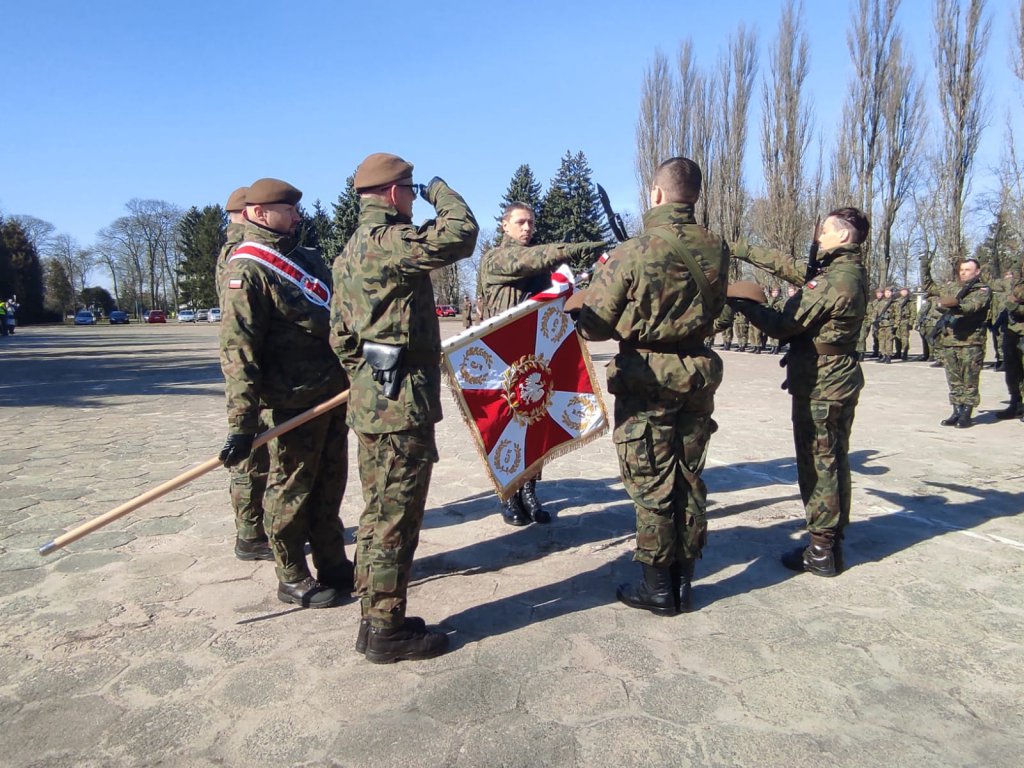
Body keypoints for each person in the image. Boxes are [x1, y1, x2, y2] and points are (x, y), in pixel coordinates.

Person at [331, 153, 478, 663]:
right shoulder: (392, 241)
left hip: (372, 406)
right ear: (394, 193)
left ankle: (375, 620)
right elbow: (462, 233)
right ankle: (387, 632)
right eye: (411, 190)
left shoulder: (349, 252)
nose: (415, 199)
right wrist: (440, 188)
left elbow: (340, 336)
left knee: (376, 514)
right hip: (402, 410)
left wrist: (368, 376)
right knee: (397, 520)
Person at [566, 156, 729, 616]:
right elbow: (718, 308)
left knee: (653, 482)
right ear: (694, 195)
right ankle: (684, 579)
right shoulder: (717, 247)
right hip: (697, 377)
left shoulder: (632, 252)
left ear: (656, 194)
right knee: (689, 477)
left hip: (648, 380)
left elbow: (595, 327)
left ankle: (658, 588)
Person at [218, 177, 353, 608]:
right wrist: (241, 425)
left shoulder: (305, 259)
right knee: (290, 490)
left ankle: (333, 562)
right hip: (290, 403)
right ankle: (291, 573)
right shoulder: (248, 269)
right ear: (259, 213)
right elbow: (239, 351)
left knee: (330, 487)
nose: (298, 215)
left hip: (331, 395)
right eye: (288, 208)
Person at [731, 207, 870, 577]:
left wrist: (746, 305)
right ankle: (831, 539)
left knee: (818, 462)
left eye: (824, 231)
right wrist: (741, 248)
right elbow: (789, 266)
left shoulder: (834, 280)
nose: (818, 238)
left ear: (843, 237)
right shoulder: (847, 272)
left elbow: (784, 325)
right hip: (837, 376)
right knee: (835, 458)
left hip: (822, 383)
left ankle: (822, 549)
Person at [478, 202, 605, 526]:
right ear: (504, 225)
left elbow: (559, 296)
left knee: (534, 423)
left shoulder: (543, 266)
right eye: (520, 222)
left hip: (533, 359)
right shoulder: (496, 259)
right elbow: (529, 260)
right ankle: (508, 493)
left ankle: (530, 490)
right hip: (500, 360)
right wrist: (573, 249)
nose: (526, 228)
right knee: (504, 428)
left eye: (531, 223)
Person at [214, 187, 272, 562]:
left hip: (250, 366)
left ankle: (254, 527)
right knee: (253, 456)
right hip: (256, 367)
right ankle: (251, 533)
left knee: (257, 454)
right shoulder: (242, 254)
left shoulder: (231, 251)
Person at [921, 255, 991, 428]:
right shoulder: (951, 287)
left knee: (970, 379)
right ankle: (956, 410)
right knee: (954, 379)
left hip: (970, 341)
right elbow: (929, 287)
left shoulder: (981, 290)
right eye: (962, 270)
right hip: (950, 341)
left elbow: (971, 307)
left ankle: (967, 412)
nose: (964, 273)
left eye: (967, 270)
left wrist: (954, 305)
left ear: (977, 271)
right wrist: (924, 268)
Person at [1000, 264, 1024, 419]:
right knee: (1012, 371)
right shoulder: (1016, 282)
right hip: (1011, 332)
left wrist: (1013, 303)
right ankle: (1016, 403)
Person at [874, 287, 896, 363]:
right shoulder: (880, 303)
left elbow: (898, 314)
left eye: (889, 292)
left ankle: (888, 356)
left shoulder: (894, 303)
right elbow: (875, 312)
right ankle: (883, 355)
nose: (888, 293)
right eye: (886, 292)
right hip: (881, 324)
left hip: (890, 324)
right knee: (881, 340)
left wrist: (896, 325)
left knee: (889, 340)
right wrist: (874, 321)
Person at [895, 287, 916, 361]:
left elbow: (913, 313)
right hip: (897, 322)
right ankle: (898, 352)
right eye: (902, 291)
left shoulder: (910, 301)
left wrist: (911, 323)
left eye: (905, 291)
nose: (903, 292)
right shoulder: (897, 301)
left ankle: (905, 352)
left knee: (904, 338)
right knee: (897, 338)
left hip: (905, 321)